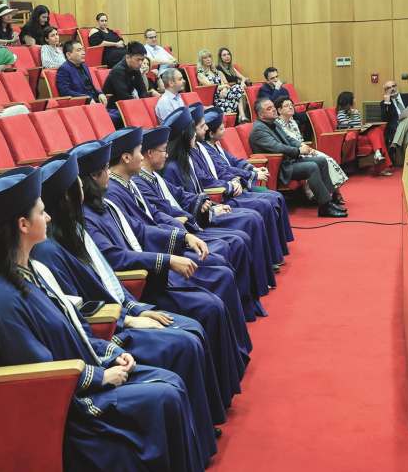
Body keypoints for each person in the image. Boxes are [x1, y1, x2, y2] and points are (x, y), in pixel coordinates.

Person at [0, 166, 230, 472]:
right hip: (69, 407)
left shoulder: (33, 269)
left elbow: (73, 327)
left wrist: (109, 352)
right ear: (22, 225)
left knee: (171, 383)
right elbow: (42, 371)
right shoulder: (1, 301)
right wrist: (101, 375)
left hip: (87, 371)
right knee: (165, 396)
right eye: (41, 211)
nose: (47, 216)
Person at [31, 152, 227, 450]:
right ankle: (194, 436)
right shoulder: (48, 251)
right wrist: (129, 319)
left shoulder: (75, 228)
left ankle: (198, 426)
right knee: (184, 341)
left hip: (119, 315)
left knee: (191, 331)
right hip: (105, 332)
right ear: (71, 194)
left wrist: (134, 309)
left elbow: (105, 281)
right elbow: (77, 310)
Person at [73, 139, 254, 404]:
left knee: (214, 291)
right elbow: (114, 258)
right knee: (206, 310)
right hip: (140, 285)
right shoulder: (88, 215)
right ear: (93, 176)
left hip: (144, 280)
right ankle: (217, 397)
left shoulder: (103, 203)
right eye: (105, 169)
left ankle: (228, 374)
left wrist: (182, 239)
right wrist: (164, 263)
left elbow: (140, 230)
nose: (110, 173)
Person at [102, 126, 267, 319]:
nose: (141, 157)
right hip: (155, 258)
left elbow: (157, 211)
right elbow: (139, 231)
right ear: (126, 157)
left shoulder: (127, 182)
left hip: (167, 240)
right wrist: (181, 236)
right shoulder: (115, 190)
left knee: (231, 248)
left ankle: (240, 315)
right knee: (222, 263)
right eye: (139, 151)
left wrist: (193, 218)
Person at [135, 125, 281, 289]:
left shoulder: (156, 174)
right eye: (163, 150)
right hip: (181, 229)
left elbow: (180, 194)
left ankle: (260, 279)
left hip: (192, 218)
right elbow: (166, 210)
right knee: (239, 235)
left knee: (250, 221)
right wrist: (208, 210)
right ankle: (255, 286)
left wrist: (204, 200)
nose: (167, 154)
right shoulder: (160, 173)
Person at [168, 104, 294, 261]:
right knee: (257, 211)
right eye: (202, 126)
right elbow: (193, 192)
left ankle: (275, 253)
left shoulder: (198, 150)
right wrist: (218, 199)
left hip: (215, 199)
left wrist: (245, 174)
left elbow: (226, 166)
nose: (205, 128)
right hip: (214, 202)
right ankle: (270, 258)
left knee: (270, 201)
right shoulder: (177, 164)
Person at [249, 98, 346, 218]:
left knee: (321, 161)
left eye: (273, 106)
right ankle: (325, 206)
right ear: (260, 114)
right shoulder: (259, 130)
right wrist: (298, 151)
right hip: (280, 167)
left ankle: (327, 202)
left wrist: (300, 145)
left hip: (289, 161)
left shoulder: (273, 122)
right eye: (269, 108)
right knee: (312, 167)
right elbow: (277, 147)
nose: (274, 109)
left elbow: (288, 139)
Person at [275, 96, 347, 203]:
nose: (291, 108)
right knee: (324, 161)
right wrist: (303, 149)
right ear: (279, 110)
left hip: (304, 149)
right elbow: (287, 143)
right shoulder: (277, 125)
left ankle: (334, 193)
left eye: (291, 105)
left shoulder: (293, 122)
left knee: (329, 159)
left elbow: (299, 140)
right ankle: (333, 195)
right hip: (295, 154)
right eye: (287, 106)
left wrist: (307, 148)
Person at [335, 91, 392, 176]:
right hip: (353, 137)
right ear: (348, 100)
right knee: (377, 134)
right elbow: (348, 128)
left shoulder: (356, 112)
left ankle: (378, 154)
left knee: (376, 130)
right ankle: (379, 161)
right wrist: (361, 127)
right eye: (353, 98)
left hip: (361, 133)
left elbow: (360, 124)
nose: (355, 100)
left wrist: (365, 126)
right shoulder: (341, 114)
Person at [196, 49, 248, 122]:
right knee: (237, 94)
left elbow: (224, 84)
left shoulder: (215, 71)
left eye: (209, 57)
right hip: (216, 98)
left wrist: (224, 90)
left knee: (238, 87)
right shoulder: (200, 73)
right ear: (201, 60)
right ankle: (241, 117)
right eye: (205, 58)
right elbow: (212, 88)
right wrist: (225, 87)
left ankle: (242, 115)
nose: (208, 59)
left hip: (223, 94)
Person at [56, 40, 107, 105]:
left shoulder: (85, 67)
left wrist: (100, 93)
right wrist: (87, 98)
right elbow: (65, 92)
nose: (83, 53)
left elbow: (90, 87)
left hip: (97, 103)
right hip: (84, 106)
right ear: (69, 55)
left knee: (120, 113)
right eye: (79, 50)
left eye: (83, 50)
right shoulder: (64, 69)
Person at [101, 41, 149, 107]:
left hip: (127, 104)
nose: (140, 63)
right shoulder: (118, 71)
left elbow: (142, 90)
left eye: (142, 60)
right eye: (137, 60)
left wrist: (145, 104)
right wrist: (138, 103)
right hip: (114, 107)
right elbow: (123, 96)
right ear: (128, 58)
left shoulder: (135, 69)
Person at [379, 80, 408, 146]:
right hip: (397, 128)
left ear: (397, 87)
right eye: (389, 88)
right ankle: (406, 156)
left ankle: (394, 144)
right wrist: (387, 103)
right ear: (386, 91)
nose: (392, 89)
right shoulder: (384, 103)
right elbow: (384, 119)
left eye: (393, 86)